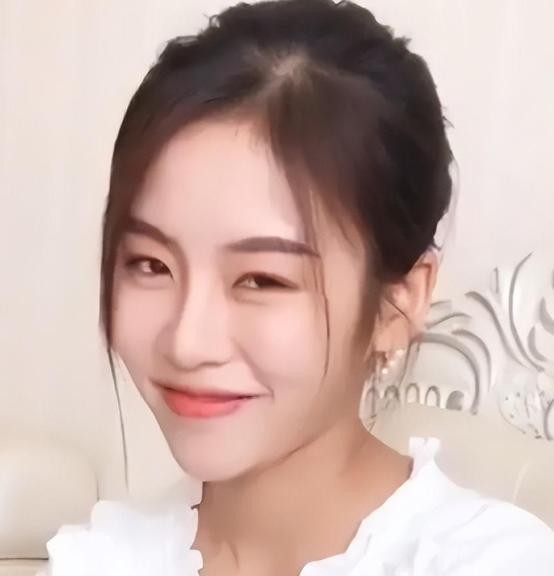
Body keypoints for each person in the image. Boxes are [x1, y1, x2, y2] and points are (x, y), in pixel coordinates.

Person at [41, 1, 554, 574]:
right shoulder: (99, 557)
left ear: (397, 304)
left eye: (262, 279)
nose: (186, 342)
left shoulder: (494, 563)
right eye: (150, 264)